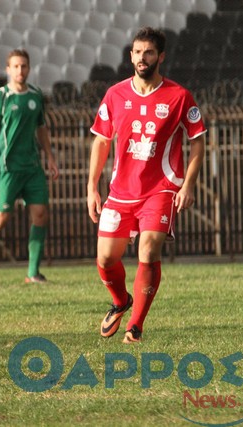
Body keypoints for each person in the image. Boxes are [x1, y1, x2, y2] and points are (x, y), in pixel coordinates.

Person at [87, 27, 206, 343]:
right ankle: (120, 301)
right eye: (138, 52)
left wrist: (188, 185)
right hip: (121, 191)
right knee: (105, 259)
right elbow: (100, 142)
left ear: (160, 57)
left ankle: (135, 326)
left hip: (161, 188)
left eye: (149, 52)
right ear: (131, 56)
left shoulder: (179, 96)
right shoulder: (115, 94)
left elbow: (197, 143)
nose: (142, 58)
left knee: (149, 247)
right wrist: (91, 187)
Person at [0, 49, 59, 286]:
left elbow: (41, 128)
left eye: (24, 66)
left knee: (41, 215)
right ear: (8, 70)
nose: (20, 70)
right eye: (15, 66)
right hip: (7, 169)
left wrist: (50, 157)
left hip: (32, 168)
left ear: (29, 68)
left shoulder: (36, 96)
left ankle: (33, 272)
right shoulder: (0, 98)